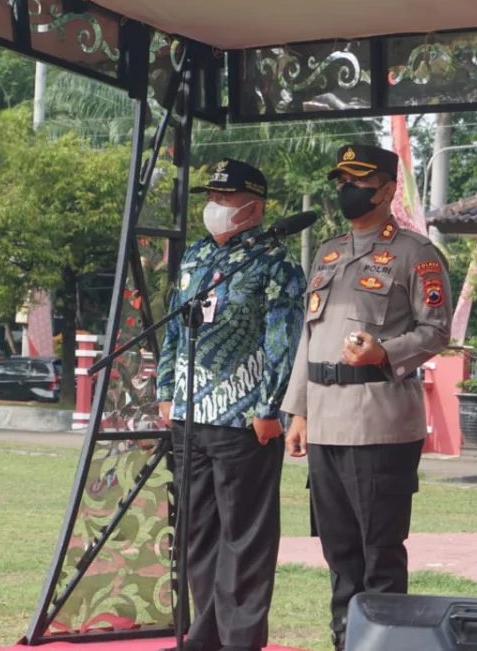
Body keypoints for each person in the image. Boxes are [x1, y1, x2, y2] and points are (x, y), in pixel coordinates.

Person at [281, 144, 453, 651]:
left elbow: (436, 331)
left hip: (379, 423)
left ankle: (384, 642)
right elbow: (307, 339)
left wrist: (385, 350)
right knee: (338, 551)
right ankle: (344, 640)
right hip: (326, 422)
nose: (344, 190)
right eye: (340, 181)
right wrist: (296, 411)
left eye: (356, 181)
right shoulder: (327, 252)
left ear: (385, 189)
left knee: (379, 551)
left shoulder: (415, 253)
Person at [155, 158, 307, 651]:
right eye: (211, 199)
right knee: (197, 531)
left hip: (245, 419)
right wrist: (164, 391)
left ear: (253, 207)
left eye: (225, 199)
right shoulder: (196, 257)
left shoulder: (275, 263)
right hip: (189, 414)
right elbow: (175, 331)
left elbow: (284, 341)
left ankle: (240, 639)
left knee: (245, 536)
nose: (214, 208)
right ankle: (205, 636)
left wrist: (271, 407)